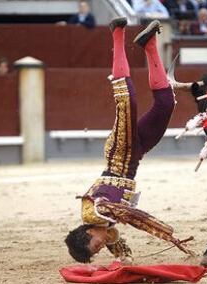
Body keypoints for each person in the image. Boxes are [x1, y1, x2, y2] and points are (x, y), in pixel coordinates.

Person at [65, 18, 178, 263]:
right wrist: (123, 259)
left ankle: (117, 32)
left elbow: (134, 216)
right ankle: (149, 44)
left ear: (87, 233)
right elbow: (122, 251)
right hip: (134, 157)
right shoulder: (105, 226)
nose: (102, 245)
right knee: (166, 105)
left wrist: (165, 233)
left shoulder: (94, 213)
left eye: (96, 246)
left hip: (119, 154)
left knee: (127, 101)